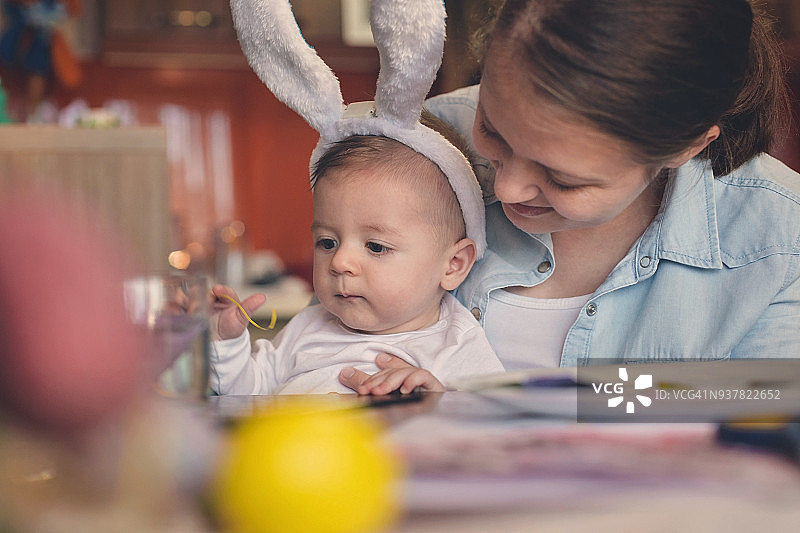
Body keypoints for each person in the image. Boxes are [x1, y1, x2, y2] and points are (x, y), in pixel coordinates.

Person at [340, 0, 800, 395]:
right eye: (492, 130)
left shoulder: (777, 236)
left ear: (688, 146)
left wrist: (508, 407)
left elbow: (760, 419)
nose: (504, 190)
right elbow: (328, 353)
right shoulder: (413, 151)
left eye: (564, 179)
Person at [209, 112, 505, 395]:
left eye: (375, 246)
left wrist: (439, 403)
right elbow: (245, 393)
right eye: (327, 242)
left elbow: (493, 425)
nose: (339, 262)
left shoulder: (454, 342)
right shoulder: (308, 326)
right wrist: (226, 342)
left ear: (453, 265)